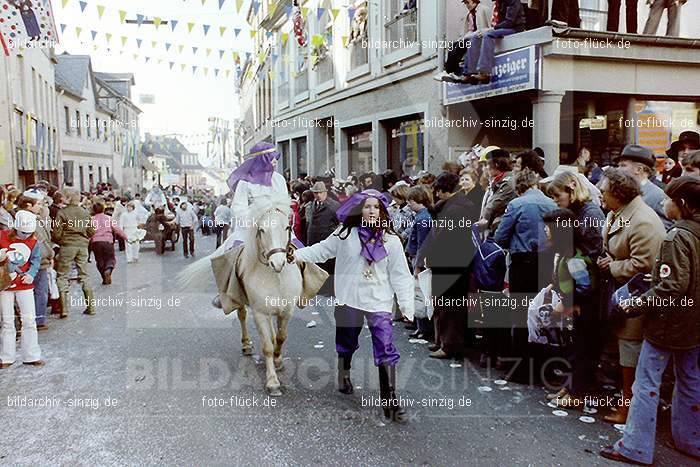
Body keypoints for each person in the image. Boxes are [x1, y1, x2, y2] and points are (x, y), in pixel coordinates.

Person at [600, 176, 700, 465]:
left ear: (680, 205)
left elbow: (671, 286)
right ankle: (690, 440)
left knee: (645, 384)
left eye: (668, 200)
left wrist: (636, 303)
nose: (663, 203)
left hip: (669, 324)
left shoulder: (677, 237)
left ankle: (635, 447)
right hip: (693, 323)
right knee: (690, 380)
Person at [293, 190, 414, 423]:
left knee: (385, 345)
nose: (371, 211)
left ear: (382, 211)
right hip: (349, 298)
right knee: (346, 340)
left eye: (376, 207)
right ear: (359, 210)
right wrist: (295, 255)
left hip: (378, 299)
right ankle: (344, 371)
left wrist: (407, 306)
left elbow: (401, 275)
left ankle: (390, 401)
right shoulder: (345, 234)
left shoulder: (392, 241)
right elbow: (321, 250)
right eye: (367, 207)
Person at [596, 168, 666, 424]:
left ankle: (629, 410)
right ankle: (627, 402)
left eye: (604, 191)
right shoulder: (621, 212)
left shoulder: (642, 220)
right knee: (624, 353)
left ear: (618, 193)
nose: (600, 194)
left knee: (630, 355)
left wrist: (612, 265)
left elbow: (644, 266)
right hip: (622, 293)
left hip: (636, 298)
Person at [494, 169, 557, 374]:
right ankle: (543, 366)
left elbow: (500, 237)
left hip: (522, 263)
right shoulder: (552, 203)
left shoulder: (516, 204)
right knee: (543, 311)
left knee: (521, 314)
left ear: (518, 187)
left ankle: (521, 369)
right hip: (547, 262)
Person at [418, 172, 480, 359]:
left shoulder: (455, 210)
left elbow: (444, 239)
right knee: (451, 305)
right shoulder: (460, 206)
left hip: (450, 263)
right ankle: (446, 341)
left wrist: (431, 257)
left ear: (444, 190)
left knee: (449, 306)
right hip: (457, 263)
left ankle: (450, 345)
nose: (436, 194)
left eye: (438, 190)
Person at [542, 209, 598, 407]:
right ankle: (569, 386)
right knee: (571, 351)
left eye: (549, 228)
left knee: (580, 353)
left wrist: (565, 302)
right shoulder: (566, 253)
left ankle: (577, 393)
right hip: (572, 311)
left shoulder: (574, 256)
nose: (546, 232)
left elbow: (584, 287)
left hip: (581, 312)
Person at [0, 210, 44, 368]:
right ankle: (6, 357)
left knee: (29, 319)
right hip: (5, 284)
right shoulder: (2, 236)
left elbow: (36, 260)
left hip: (25, 284)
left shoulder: (34, 241)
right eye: (22, 232)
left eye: (28, 232)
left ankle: (31, 355)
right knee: (7, 321)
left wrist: (31, 274)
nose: (25, 235)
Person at [52, 188, 96, 317]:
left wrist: (61, 240)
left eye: (63, 197)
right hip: (82, 246)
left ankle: (64, 309)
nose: (61, 199)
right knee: (84, 275)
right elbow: (92, 231)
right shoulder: (84, 212)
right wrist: (84, 237)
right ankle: (91, 307)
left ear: (68, 199)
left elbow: (56, 232)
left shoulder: (62, 212)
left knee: (62, 275)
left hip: (67, 246)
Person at [463, 0, 526, 84]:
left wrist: (493, 29)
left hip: (515, 28)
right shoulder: (499, 3)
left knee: (488, 35)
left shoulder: (513, 1)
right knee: (476, 37)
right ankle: (469, 72)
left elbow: (509, 22)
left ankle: (484, 71)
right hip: (504, 28)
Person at [546, 171, 605, 259]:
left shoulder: (591, 214)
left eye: (557, 196)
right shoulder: (571, 211)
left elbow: (598, 249)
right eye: (552, 197)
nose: (555, 200)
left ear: (571, 191)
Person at [17, 190, 54, 331]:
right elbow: (40, 242)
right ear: (28, 205)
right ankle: (37, 319)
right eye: (38, 203)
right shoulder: (30, 220)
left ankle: (31, 318)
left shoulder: (29, 217)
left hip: (33, 260)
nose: (41, 206)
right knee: (40, 291)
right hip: (37, 260)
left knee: (34, 291)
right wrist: (50, 254)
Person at [614, 144, 673, 230]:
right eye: (618, 166)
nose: (617, 170)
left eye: (623, 165)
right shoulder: (624, 192)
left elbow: (669, 227)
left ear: (639, 169)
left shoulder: (657, 195)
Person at [434, 0, 493, 82]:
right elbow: (470, 30)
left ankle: (449, 71)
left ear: (475, 1)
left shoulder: (484, 9)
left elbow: (492, 26)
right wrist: (464, 37)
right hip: (473, 37)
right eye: (465, 3)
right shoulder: (469, 15)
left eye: (468, 2)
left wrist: (481, 32)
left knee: (461, 44)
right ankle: (449, 70)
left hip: (481, 37)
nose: (466, 5)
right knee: (453, 45)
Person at [477, 148, 516, 237]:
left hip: (501, 229)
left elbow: (494, 204)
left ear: (496, 164)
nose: (485, 168)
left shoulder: (508, 182)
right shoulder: (496, 181)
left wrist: (484, 218)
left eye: (487, 165)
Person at [90, 202, 126, 285]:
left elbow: (88, 232)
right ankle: (108, 270)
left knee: (99, 260)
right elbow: (117, 229)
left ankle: (103, 276)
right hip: (108, 241)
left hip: (96, 242)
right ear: (103, 209)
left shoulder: (91, 219)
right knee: (110, 258)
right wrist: (125, 237)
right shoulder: (109, 218)